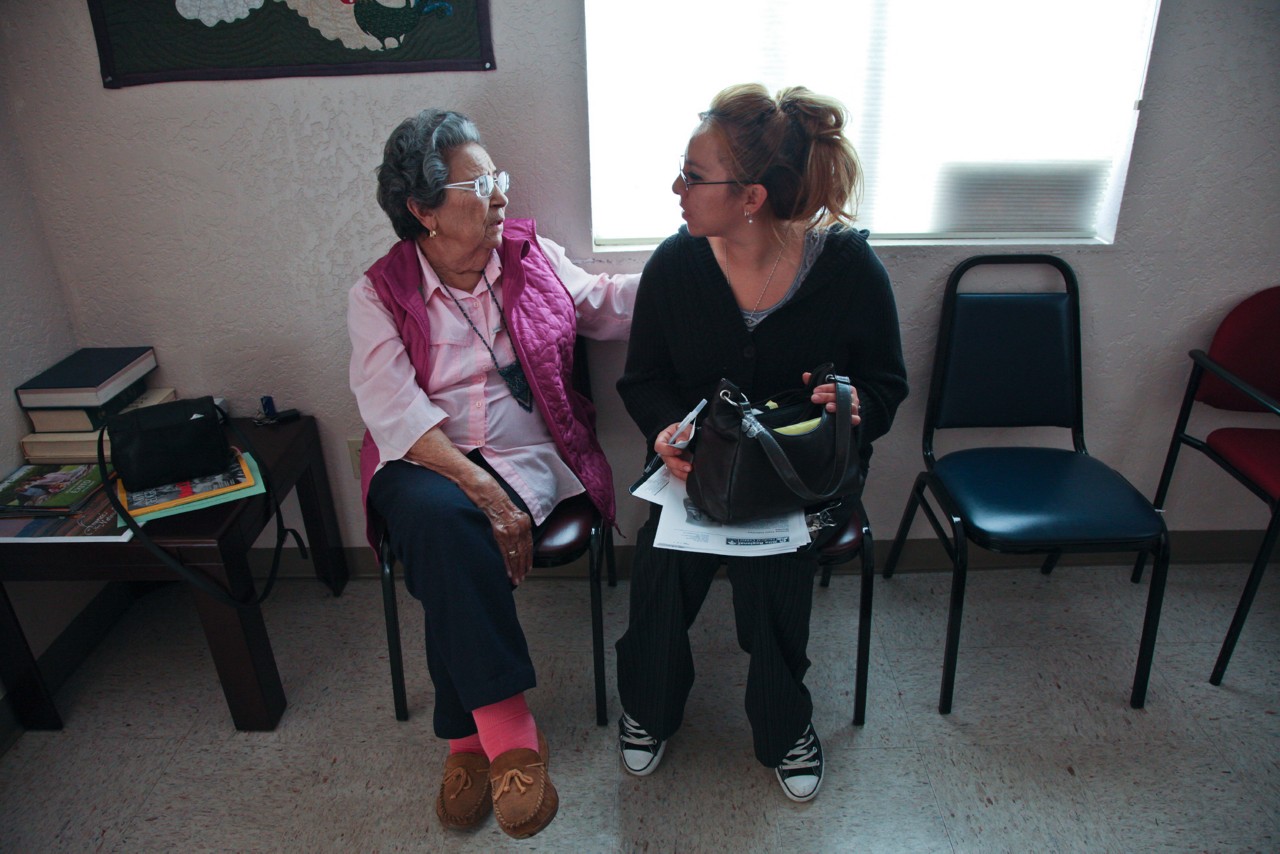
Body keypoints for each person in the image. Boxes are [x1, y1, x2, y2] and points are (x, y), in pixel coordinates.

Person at [348, 108, 637, 838]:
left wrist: (690, 271)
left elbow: (599, 305)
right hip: (421, 456)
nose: (501, 197)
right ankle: (511, 733)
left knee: (446, 537)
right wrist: (477, 488)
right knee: (445, 517)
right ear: (422, 210)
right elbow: (393, 412)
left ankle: (465, 736)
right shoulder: (377, 293)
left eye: (498, 179)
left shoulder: (527, 254)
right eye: (480, 186)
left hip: (526, 456)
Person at [614, 84, 908, 802]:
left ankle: (783, 728)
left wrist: (854, 402)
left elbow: (886, 386)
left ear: (750, 197)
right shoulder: (676, 265)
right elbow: (644, 379)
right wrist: (665, 433)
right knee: (659, 574)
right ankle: (649, 708)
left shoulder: (846, 270)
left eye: (693, 175)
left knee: (776, 581)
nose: (677, 188)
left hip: (805, 475)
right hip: (700, 469)